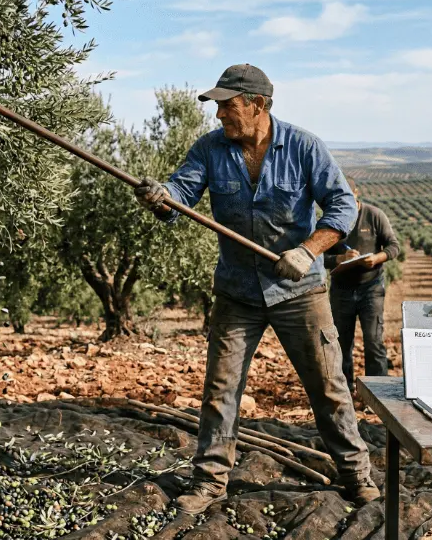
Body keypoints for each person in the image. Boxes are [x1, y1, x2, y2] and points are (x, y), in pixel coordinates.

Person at [133, 64, 379, 515]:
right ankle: (209, 482)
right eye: (219, 106)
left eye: (228, 105)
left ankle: (356, 476)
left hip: (300, 291)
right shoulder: (210, 149)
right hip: (237, 292)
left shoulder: (303, 147)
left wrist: (308, 250)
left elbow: (344, 205)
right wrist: (161, 196)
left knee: (328, 386)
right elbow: (180, 194)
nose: (219, 115)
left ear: (257, 105)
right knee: (220, 390)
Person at [323, 178, 400, 395]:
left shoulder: (374, 215)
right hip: (342, 290)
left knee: (374, 340)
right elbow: (320, 257)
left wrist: (377, 258)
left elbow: (394, 247)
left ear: (356, 194)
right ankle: (343, 393)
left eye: (349, 196)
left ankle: (378, 394)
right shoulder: (331, 220)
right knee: (341, 343)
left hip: (371, 288)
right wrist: (340, 258)